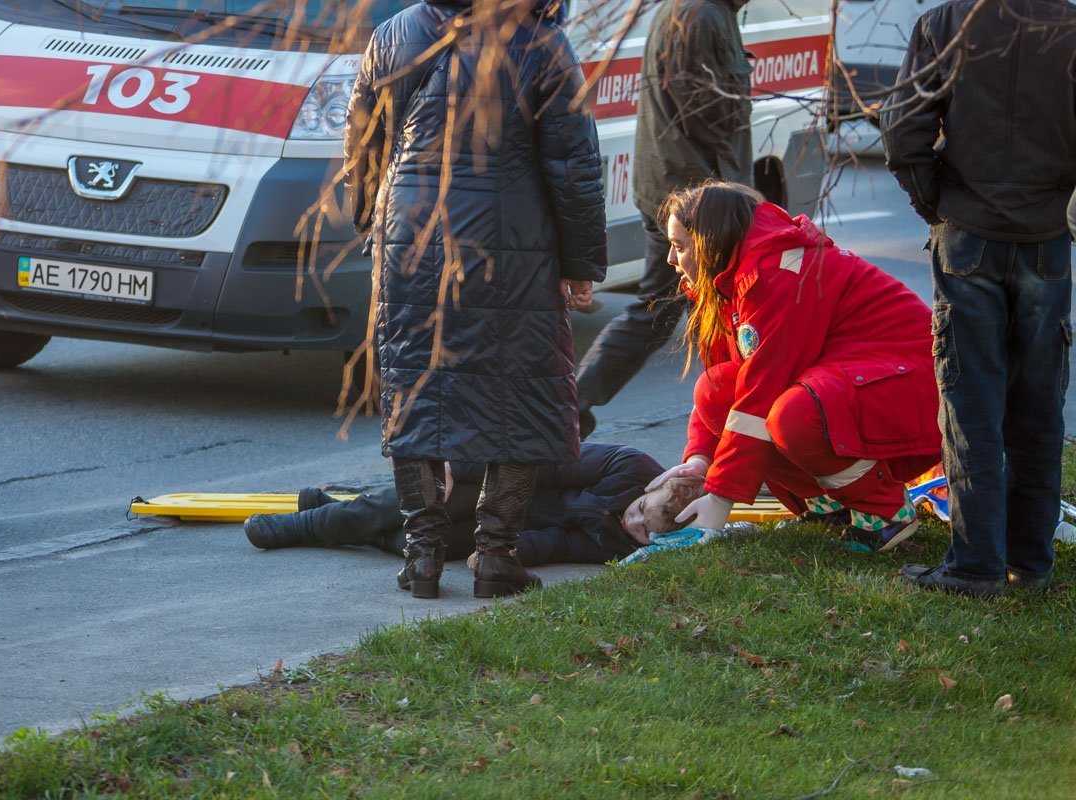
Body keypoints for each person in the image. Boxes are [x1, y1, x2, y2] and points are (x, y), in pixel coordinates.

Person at [344, 0, 607, 599]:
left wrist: (368, 221)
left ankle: (424, 558)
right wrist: (580, 262)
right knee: (521, 392)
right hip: (511, 243)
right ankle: (495, 555)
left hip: (411, 234)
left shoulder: (393, 33)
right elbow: (572, 164)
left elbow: (364, 141)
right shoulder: (540, 41)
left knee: (417, 389)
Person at [881, 0, 1076, 597]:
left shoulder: (946, 24)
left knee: (970, 404)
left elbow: (903, 131)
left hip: (969, 234)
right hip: (1045, 236)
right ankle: (1029, 559)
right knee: (1038, 406)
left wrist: (936, 204)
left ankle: (976, 565)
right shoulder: (1068, 27)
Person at [646, 182, 942, 551]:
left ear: (709, 241)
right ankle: (831, 505)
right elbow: (727, 390)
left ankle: (886, 514)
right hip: (869, 383)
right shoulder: (733, 276)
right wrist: (699, 459)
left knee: (793, 416)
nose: (671, 260)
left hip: (912, 389)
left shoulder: (773, 274)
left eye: (679, 246)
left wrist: (720, 499)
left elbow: (758, 397)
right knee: (717, 389)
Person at [574, 0, 753, 439]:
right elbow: (707, 111)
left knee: (677, 310)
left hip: (686, 187)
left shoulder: (702, 11)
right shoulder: (699, 14)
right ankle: (572, 405)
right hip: (693, 196)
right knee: (709, 311)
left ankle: (573, 404)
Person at [242, 443, 706, 567]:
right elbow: (540, 461)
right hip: (493, 479)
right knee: (415, 505)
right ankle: (298, 527)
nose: (633, 521)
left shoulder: (624, 547)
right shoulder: (629, 465)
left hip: (507, 527)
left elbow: (562, 544)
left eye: (645, 530)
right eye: (643, 508)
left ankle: (329, 508)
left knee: (417, 543)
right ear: (656, 484)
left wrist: (508, 553)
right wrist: (457, 469)